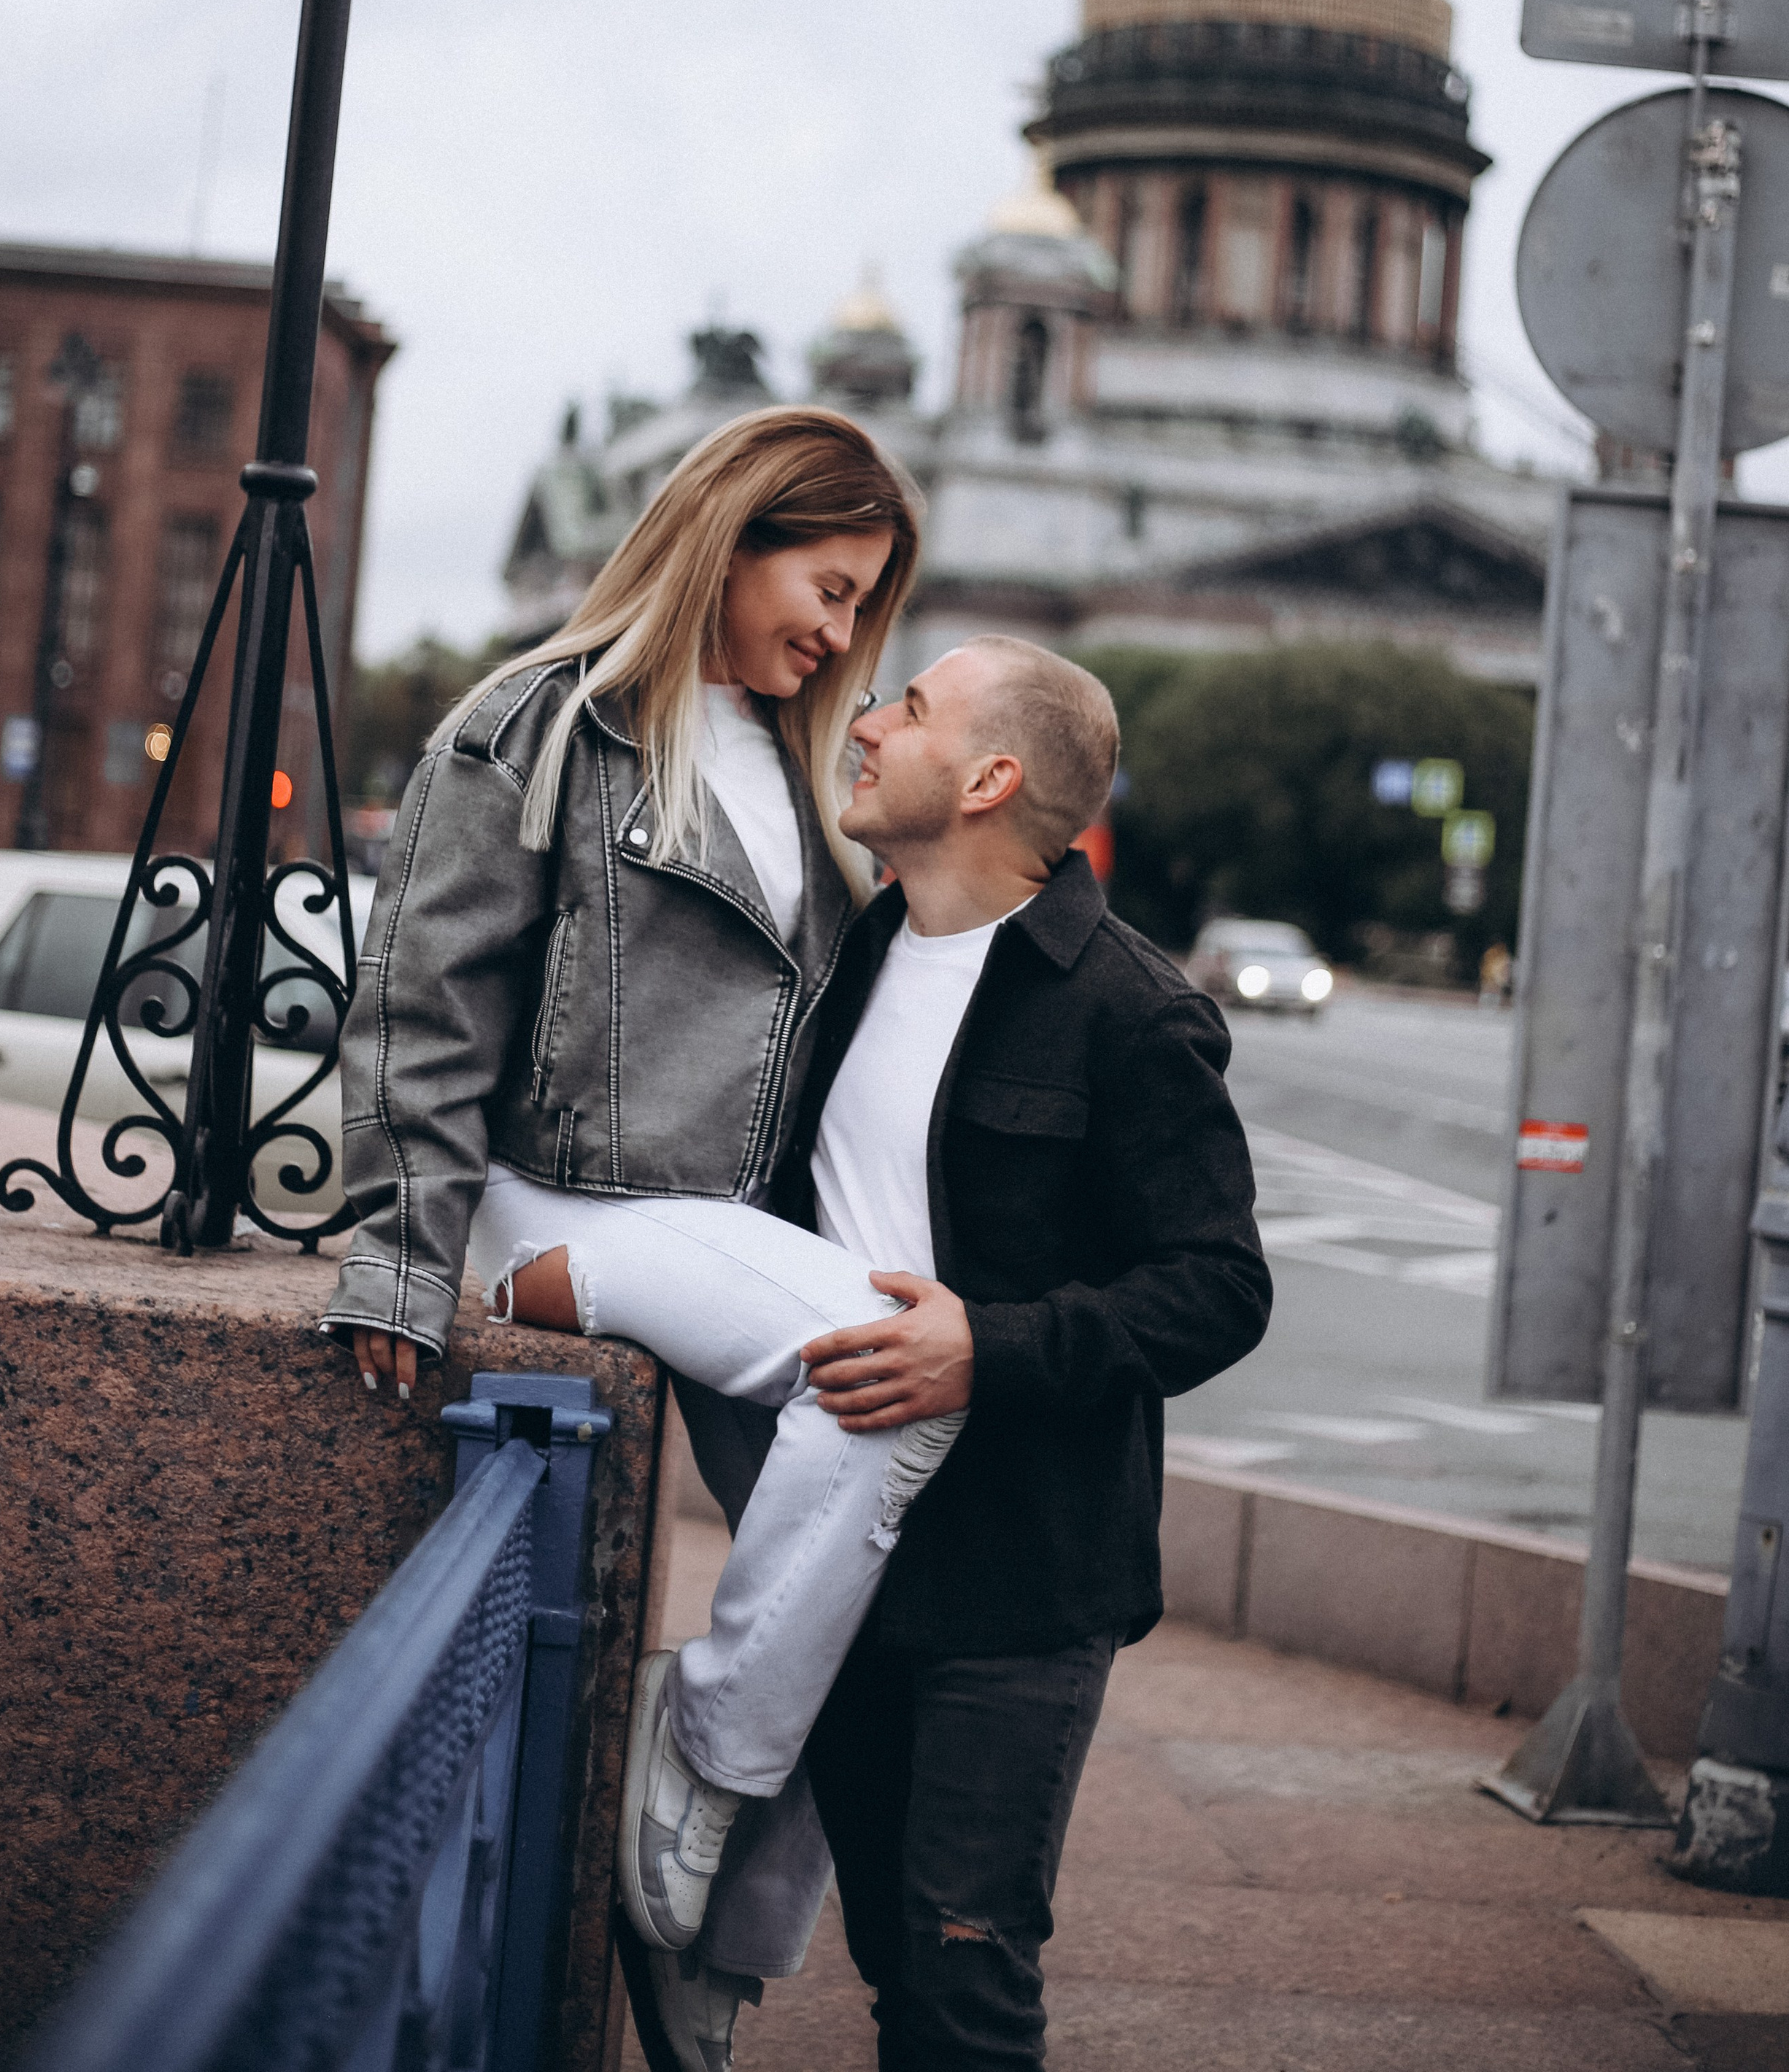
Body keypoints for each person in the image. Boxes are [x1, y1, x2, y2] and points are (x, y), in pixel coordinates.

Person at [317, 406, 958, 2072]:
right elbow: (422, 1013)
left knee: (885, 1583)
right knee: (896, 1380)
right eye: (824, 588)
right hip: (572, 1198)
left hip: (719, 1226)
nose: (837, 635)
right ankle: (691, 1751)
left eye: (861, 611)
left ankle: (706, 1961)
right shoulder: (540, 726)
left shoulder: (807, 757)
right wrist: (402, 1251)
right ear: (729, 536)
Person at [762, 636, 1270, 2070]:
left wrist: (985, 1349)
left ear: (988, 780)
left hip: (1020, 1579)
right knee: (888, 1966)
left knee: (964, 1978)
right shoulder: (865, 948)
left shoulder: (1129, 1009)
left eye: (906, 708)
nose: (862, 725)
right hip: (838, 1547)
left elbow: (1217, 1289)